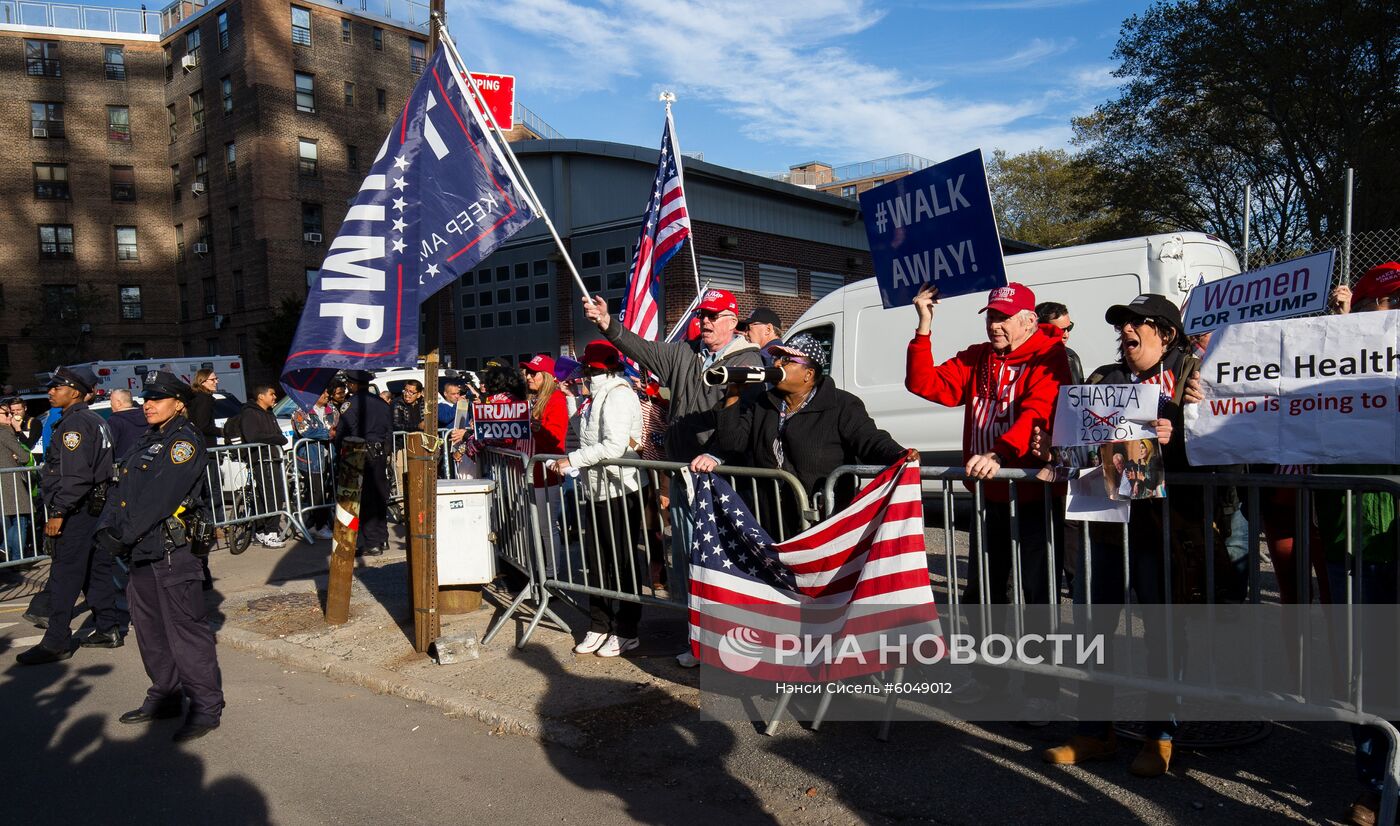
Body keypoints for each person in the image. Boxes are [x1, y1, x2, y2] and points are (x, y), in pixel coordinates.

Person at [1041, 293, 1200, 778]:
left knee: (1161, 633)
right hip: (1103, 527)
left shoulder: (1194, 378)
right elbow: (1074, 444)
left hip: (1163, 530)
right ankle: (1094, 732)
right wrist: (1055, 451)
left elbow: (1223, 447)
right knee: (1094, 630)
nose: (1127, 332)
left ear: (1166, 334)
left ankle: (1161, 736)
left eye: (1139, 324)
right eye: (1123, 325)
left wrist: (1181, 439)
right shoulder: (1103, 381)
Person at [904, 282, 1070, 719]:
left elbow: (1041, 410)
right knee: (984, 593)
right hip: (988, 496)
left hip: (1033, 492)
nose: (995, 324)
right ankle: (988, 677)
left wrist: (1001, 453)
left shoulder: (1049, 356)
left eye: (1003, 317)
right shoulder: (978, 356)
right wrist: (924, 326)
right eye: (991, 316)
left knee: (1039, 595)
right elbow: (925, 384)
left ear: (1029, 320)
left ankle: (1042, 688)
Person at [582, 287, 762, 666]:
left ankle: (732, 643)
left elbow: (748, 420)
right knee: (687, 560)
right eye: (703, 316)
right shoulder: (684, 353)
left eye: (714, 315)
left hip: (724, 478)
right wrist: (606, 324)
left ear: (733, 320)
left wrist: (718, 453)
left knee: (726, 560)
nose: (707, 322)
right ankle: (698, 639)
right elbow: (641, 348)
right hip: (682, 473)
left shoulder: (749, 361)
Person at [94, 370, 223, 742]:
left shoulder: (184, 443)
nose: (148, 404)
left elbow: (160, 497)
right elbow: (120, 488)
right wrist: (107, 528)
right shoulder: (146, 439)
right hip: (141, 551)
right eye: (145, 398)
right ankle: (165, 695)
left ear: (179, 403)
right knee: (149, 631)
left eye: (157, 398)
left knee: (186, 632)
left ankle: (205, 706)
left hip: (171, 552)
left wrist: (123, 534)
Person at [694, 332, 910, 525]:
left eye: (787, 359)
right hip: (773, 519)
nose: (777, 363)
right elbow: (732, 443)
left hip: (822, 520)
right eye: (777, 357)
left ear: (809, 374)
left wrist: (899, 454)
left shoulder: (841, 404)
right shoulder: (763, 403)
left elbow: (869, 439)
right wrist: (734, 393)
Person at [16, 367, 121, 665]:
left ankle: (56, 641)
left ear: (74, 391)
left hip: (76, 511)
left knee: (64, 576)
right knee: (95, 572)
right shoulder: (94, 420)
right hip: (96, 509)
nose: (51, 391)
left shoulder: (74, 425)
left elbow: (74, 476)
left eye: (57, 387)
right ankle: (108, 628)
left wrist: (59, 512)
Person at [551, 341, 647, 658]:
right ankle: (599, 624)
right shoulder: (593, 397)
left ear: (598, 370)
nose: (581, 374)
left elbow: (614, 446)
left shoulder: (619, 394)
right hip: (596, 489)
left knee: (623, 562)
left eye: (586, 369)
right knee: (595, 561)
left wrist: (573, 460)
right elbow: (584, 431)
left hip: (622, 489)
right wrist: (571, 402)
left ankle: (627, 629)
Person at [336, 370, 392, 556]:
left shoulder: (350, 405)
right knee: (379, 496)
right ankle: (382, 538)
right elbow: (389, 430)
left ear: (352, 384)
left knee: (365, 499)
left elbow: (346, 432)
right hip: (380, 453)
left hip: (360, 454)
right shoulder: (381, 403)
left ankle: (372, 543)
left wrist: (339, 450)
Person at [227, 384, 288, 549]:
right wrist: (275, 438)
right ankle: (271, 533)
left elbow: (282, 437)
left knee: (268, 495)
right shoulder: (250, 413)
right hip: (261, 459)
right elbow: (253, 436)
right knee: (272, 496)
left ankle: (262, 531)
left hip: (271, 458)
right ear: (261, 396)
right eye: (272, 394)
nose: (275, 397)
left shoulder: (269, 413)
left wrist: (274, 438)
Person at [291, 387, 338, 541]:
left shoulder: (332, 410)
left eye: (327, 391)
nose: (326, 394)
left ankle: (318, 522)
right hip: (311, 459)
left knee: (329, 491)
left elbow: (339, 426)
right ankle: (319, 526)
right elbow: (306, 431)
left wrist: (332, 432)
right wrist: (328, 433)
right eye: (322, 392)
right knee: (317, 493)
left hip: (330, 458)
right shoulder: (301, 412)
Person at [0, 401, 34, 562]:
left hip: (5, 482)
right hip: (10, 481)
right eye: (6, 414)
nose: (10, 417)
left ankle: (10, 554)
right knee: (20, 519)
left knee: (13, 519)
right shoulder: (5, 432)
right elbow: (24, 455)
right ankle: (13, 555)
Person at [1036, 301, 1084, 384]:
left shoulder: (1071, 356)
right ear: (1041, 328)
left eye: (1069, 328)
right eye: (1059, 331)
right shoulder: (1024, 358)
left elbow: (1078, 391)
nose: (1066, 335)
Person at [107, 389, 149, 461]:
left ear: (118, 403)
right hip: (148, 462)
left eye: (111, 402)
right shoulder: (148, 416)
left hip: (125, 465)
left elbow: (109, 448)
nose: (111, 405)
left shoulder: (114, 421)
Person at [188, 368, 224, 446]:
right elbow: (203, 426)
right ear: (202, 382)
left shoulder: (196, 396)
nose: (216, 382)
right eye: (212, 380)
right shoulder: (204, 399)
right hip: (204, 444)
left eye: (216, 379)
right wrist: (223, 431)